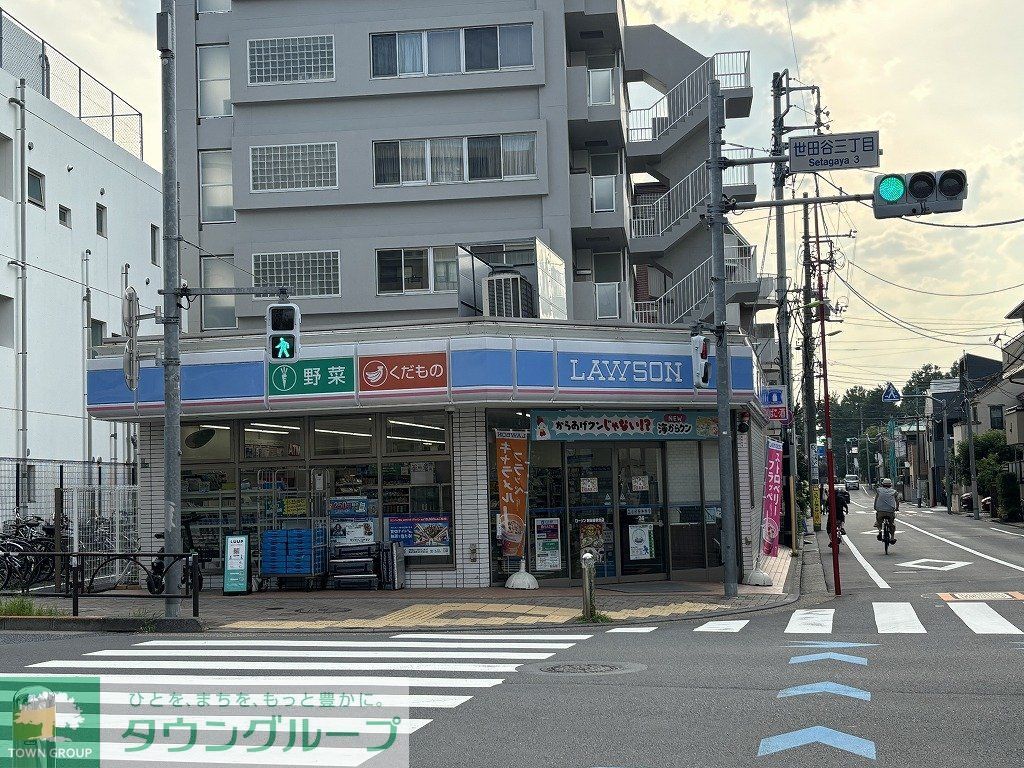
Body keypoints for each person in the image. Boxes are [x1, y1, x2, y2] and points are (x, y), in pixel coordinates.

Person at [873, 477, 899, 542]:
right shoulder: (894, 492)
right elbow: (897, 501)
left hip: (880, 510)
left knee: (878, 521)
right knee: (891, 523)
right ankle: (892, 538)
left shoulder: (879, 490)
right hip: (890, 510)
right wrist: (897, 508)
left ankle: (880, 531)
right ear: (890, 485)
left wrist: (875, 507)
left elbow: (876, 499)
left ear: (882, 484)